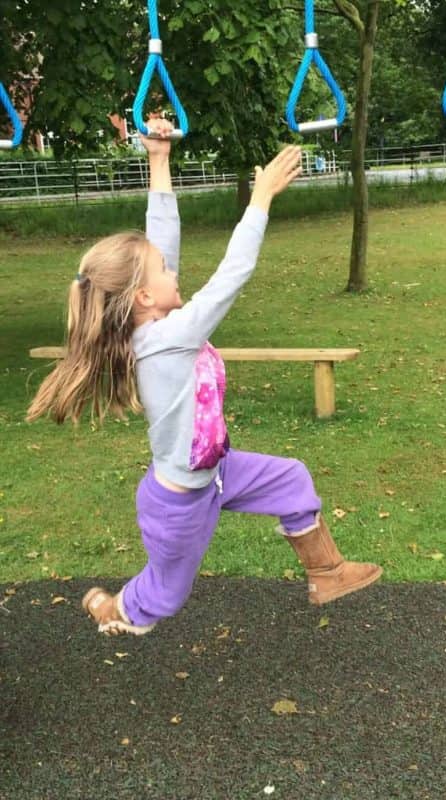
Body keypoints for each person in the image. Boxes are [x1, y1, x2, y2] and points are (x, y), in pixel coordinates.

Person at [27, 118, 382, 636]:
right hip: (180, 500)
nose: (174, 271)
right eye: (164, 271)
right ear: (144, 297)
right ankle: (115, 608)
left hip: (218, 471)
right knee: (164, 599)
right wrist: (260, 200)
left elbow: (161, 239)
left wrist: (159, 159)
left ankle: (325, 572)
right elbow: (230, 277)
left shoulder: (159, 324)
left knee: (293, 480)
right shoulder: (170, 338)